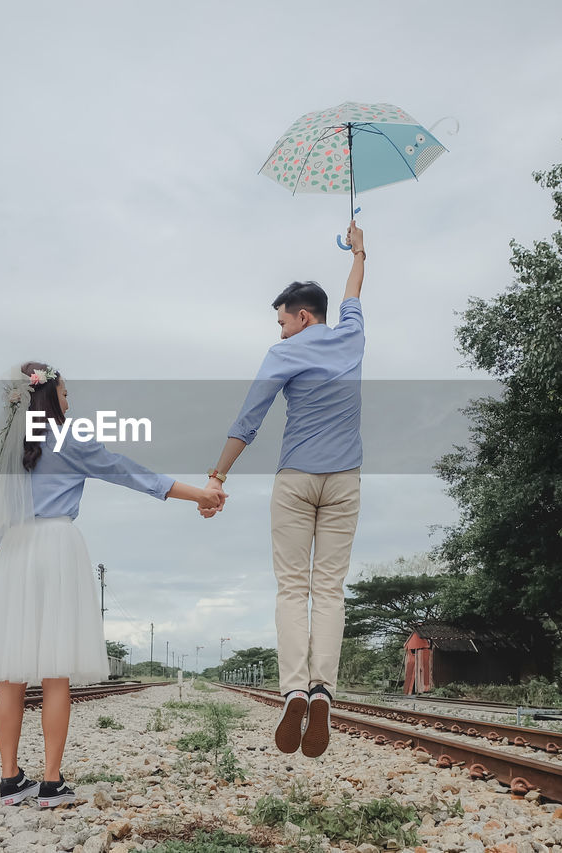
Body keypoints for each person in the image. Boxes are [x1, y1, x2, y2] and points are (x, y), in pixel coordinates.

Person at [0, 361, 225, 808]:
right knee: (55, 673)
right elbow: (130, 473)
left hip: (13, 553)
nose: (70, 403)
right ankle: (52, 783)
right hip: (56, 546)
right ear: (48, 396)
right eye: (66, 395)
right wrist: (201, 494)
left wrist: (2, 562)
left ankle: (10, 779)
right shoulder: (69, 439)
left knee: (10, 676)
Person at [202, 222, 365, 758]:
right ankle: (324, 691)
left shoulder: (283, 356)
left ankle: (295, 688)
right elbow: (354, 293)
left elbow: (248, 419)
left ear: (302, 316)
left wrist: (218, 476)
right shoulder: (352, 335)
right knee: (330, 589)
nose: (280, 332)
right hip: (345, 481)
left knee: (293, 589)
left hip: (296, 480)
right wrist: (359, 250)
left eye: (283, 322)